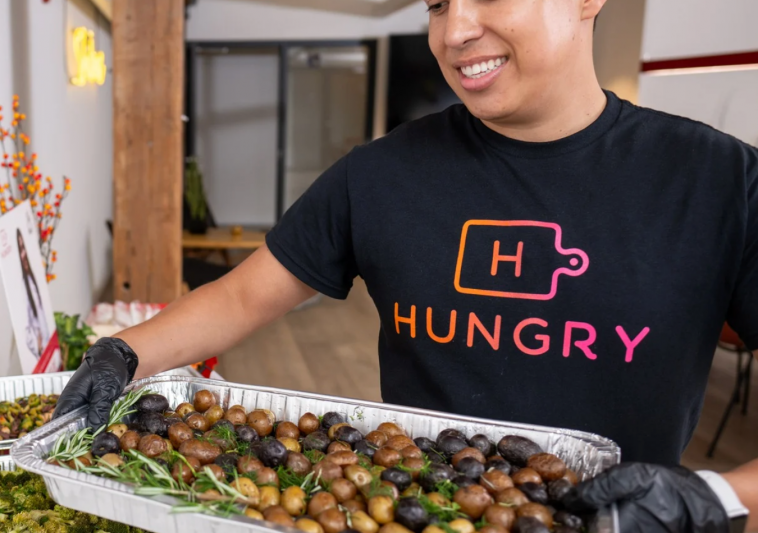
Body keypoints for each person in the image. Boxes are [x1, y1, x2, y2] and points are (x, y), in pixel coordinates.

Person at [56, 0, 758, 531]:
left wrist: (718, 494)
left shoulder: (721, 181)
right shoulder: (380, 174)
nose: (454, 32)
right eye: (437, 4)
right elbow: (242, 296)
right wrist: (122, 351)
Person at [17, 229, 48, 358]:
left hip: (49, 343)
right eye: (20, 249)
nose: (23, 254)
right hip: (42, 351)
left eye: (23, 247)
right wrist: (38, 345)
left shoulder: (33, 278)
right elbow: (26, 328)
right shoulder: (23, 286)